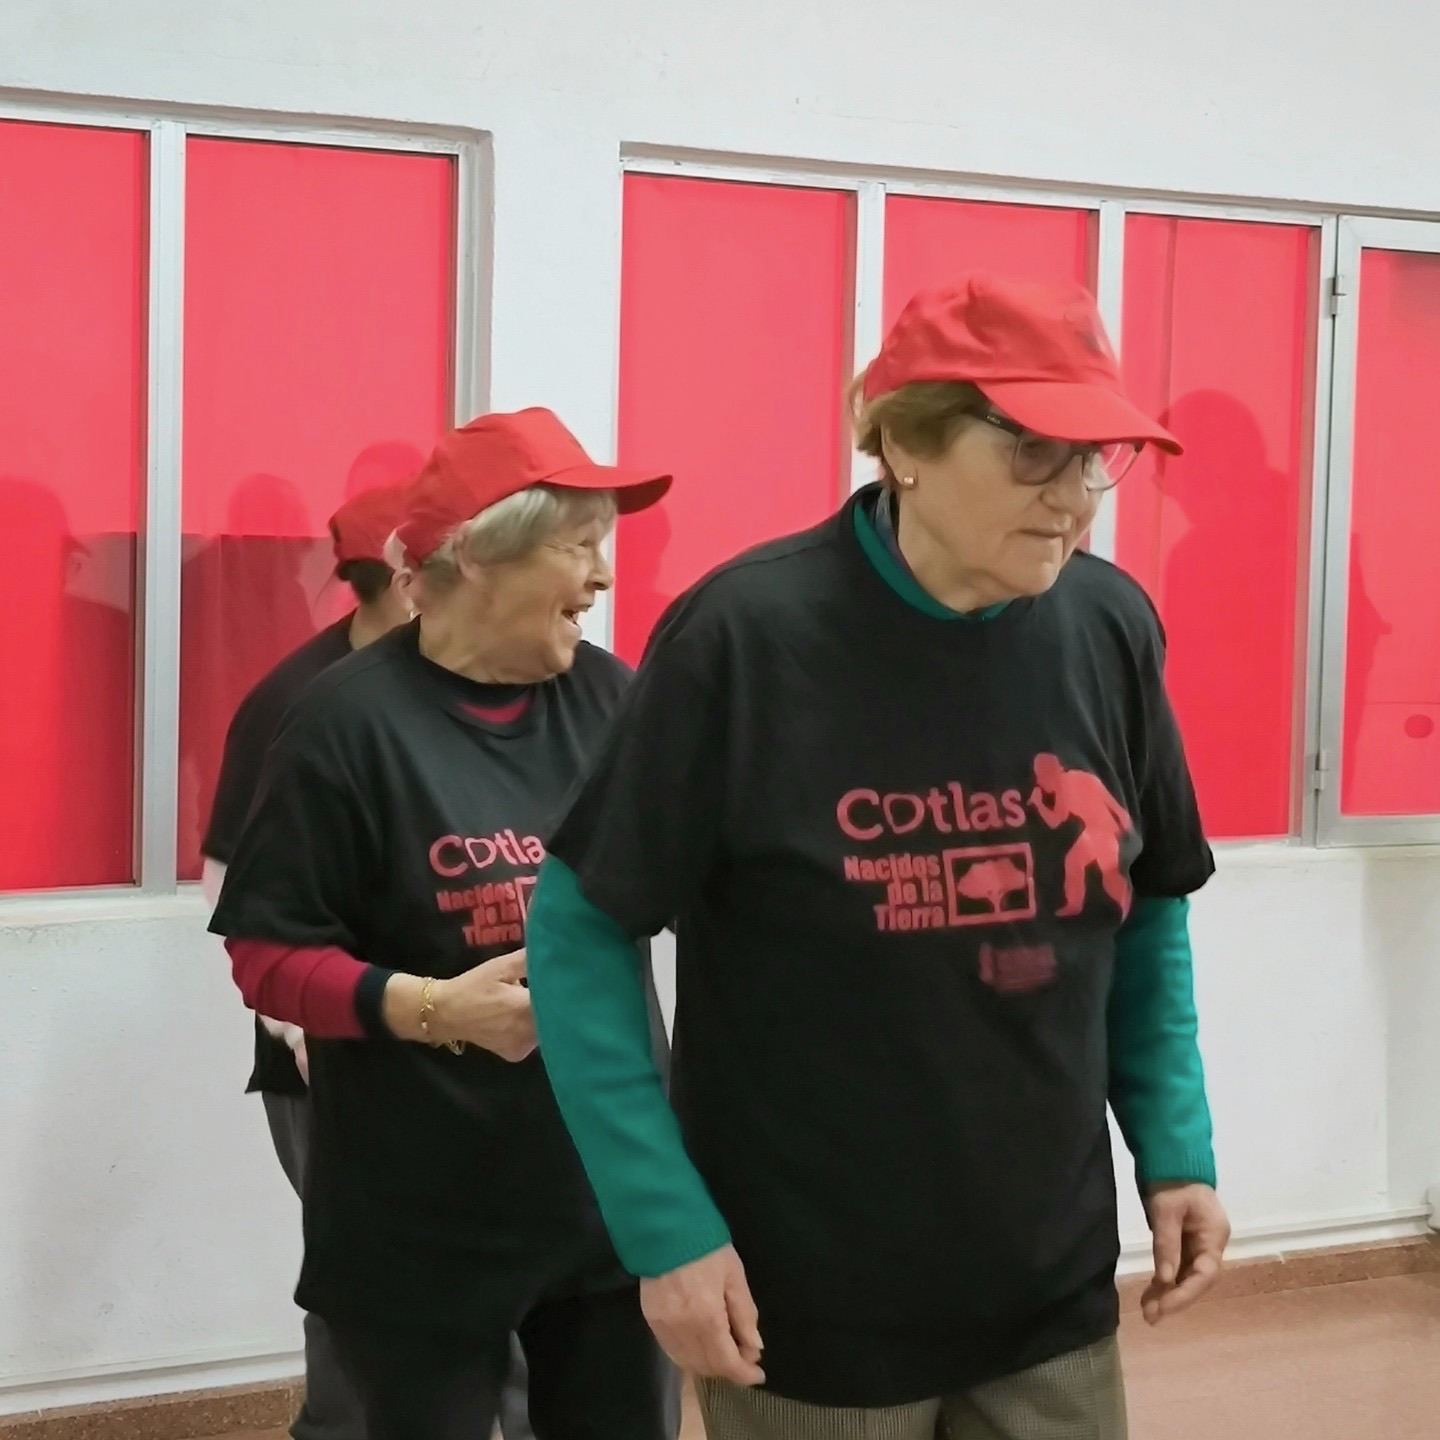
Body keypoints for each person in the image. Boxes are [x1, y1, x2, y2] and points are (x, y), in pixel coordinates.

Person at [526, 273, 1232, 1440]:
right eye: (1033, 453)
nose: (1075, 498)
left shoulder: (1108, 627)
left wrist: (1175, 1148)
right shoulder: (745, 640)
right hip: (808, 1295)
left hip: (1045, 1279)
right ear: (904, 440)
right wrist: (665, 1228)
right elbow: (580, 927)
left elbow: (1147, 909)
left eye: (1097, 457)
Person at [207, 408, 678, 1440]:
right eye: (577, 544)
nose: (602, 577)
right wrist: (433, 1008)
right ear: (474, 554)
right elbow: (266, 955)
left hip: (607, 1205)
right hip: (422, 1219)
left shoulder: (617, 704)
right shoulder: (341, 725)